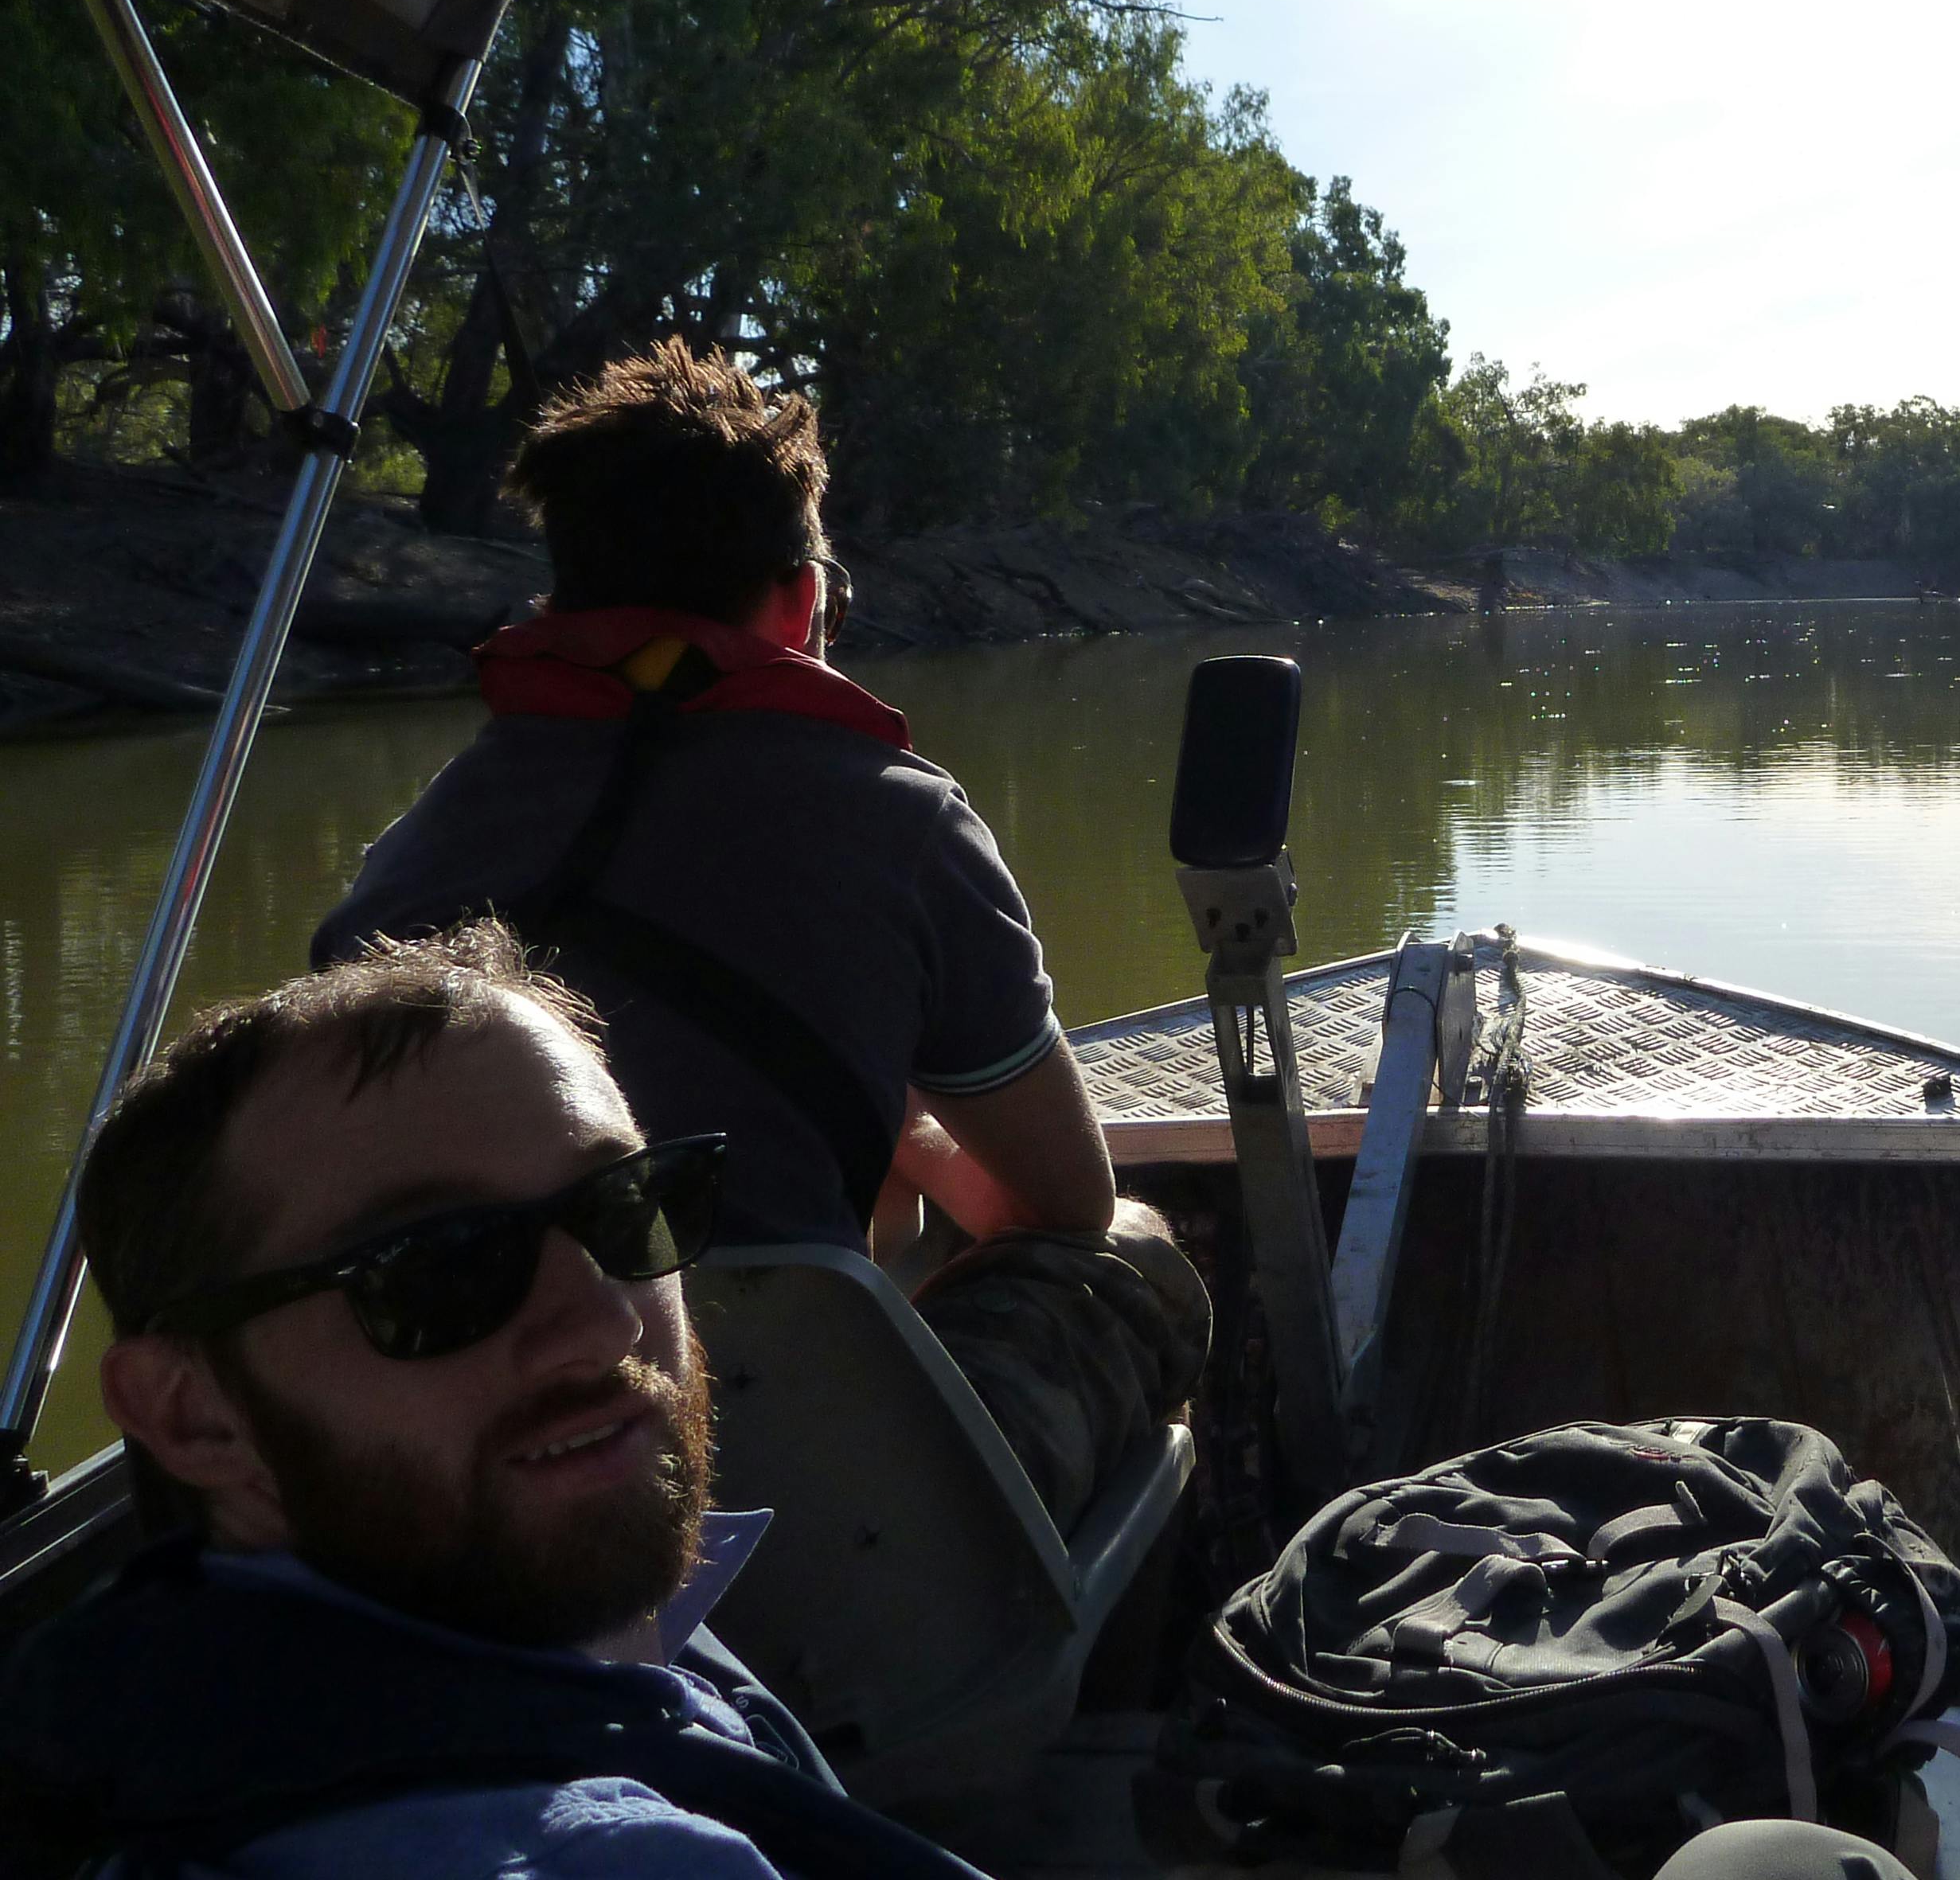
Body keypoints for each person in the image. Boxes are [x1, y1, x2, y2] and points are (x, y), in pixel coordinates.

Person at [314, 341, 1200, 1527]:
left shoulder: (408, 861)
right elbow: (1063, 1201)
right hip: (795, 1509)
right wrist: (918, 1139)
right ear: (800, 599)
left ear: (561, 603)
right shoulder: (904, 823)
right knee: (1128, 1253)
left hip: (457, 1505)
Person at [0, 926, 980, 1878]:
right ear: (191, 1414)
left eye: (627, 1205)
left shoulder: (147, 1685)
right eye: (441, 1269)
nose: (603, 1326)